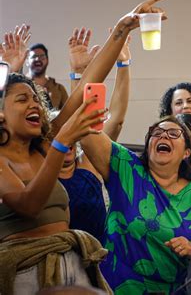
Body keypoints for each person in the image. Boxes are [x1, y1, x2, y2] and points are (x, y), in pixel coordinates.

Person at [76, 0, 191, 293]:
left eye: (173, 134)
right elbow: (85, 126)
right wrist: (84, 73)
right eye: (157, 133)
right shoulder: (127, 170)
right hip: (115, 288)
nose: (163, 136)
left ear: (187, 151)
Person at [0, 73, 110, 294]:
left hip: (70, 258)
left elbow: (82, 90)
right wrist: (60, 144)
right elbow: (29, 205)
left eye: (35, 99)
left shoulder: (41, 148)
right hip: (25, 270)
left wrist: (120, 38)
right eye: (23, 99)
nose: (34, 105)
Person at [58, 27, 131, 241]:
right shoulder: (41, 169)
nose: (69, 140)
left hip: (98, 261)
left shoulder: (89, 164)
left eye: (73, 136)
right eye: (63, 135)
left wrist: (123, 65)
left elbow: (116, 119)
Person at [26, 43, 69, 110]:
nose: (38, 59)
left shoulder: (59, 89)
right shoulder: (20, 86)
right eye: (34, 57)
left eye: (42, 57)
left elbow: (68, 113)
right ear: (27, 62)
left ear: (47, 60)